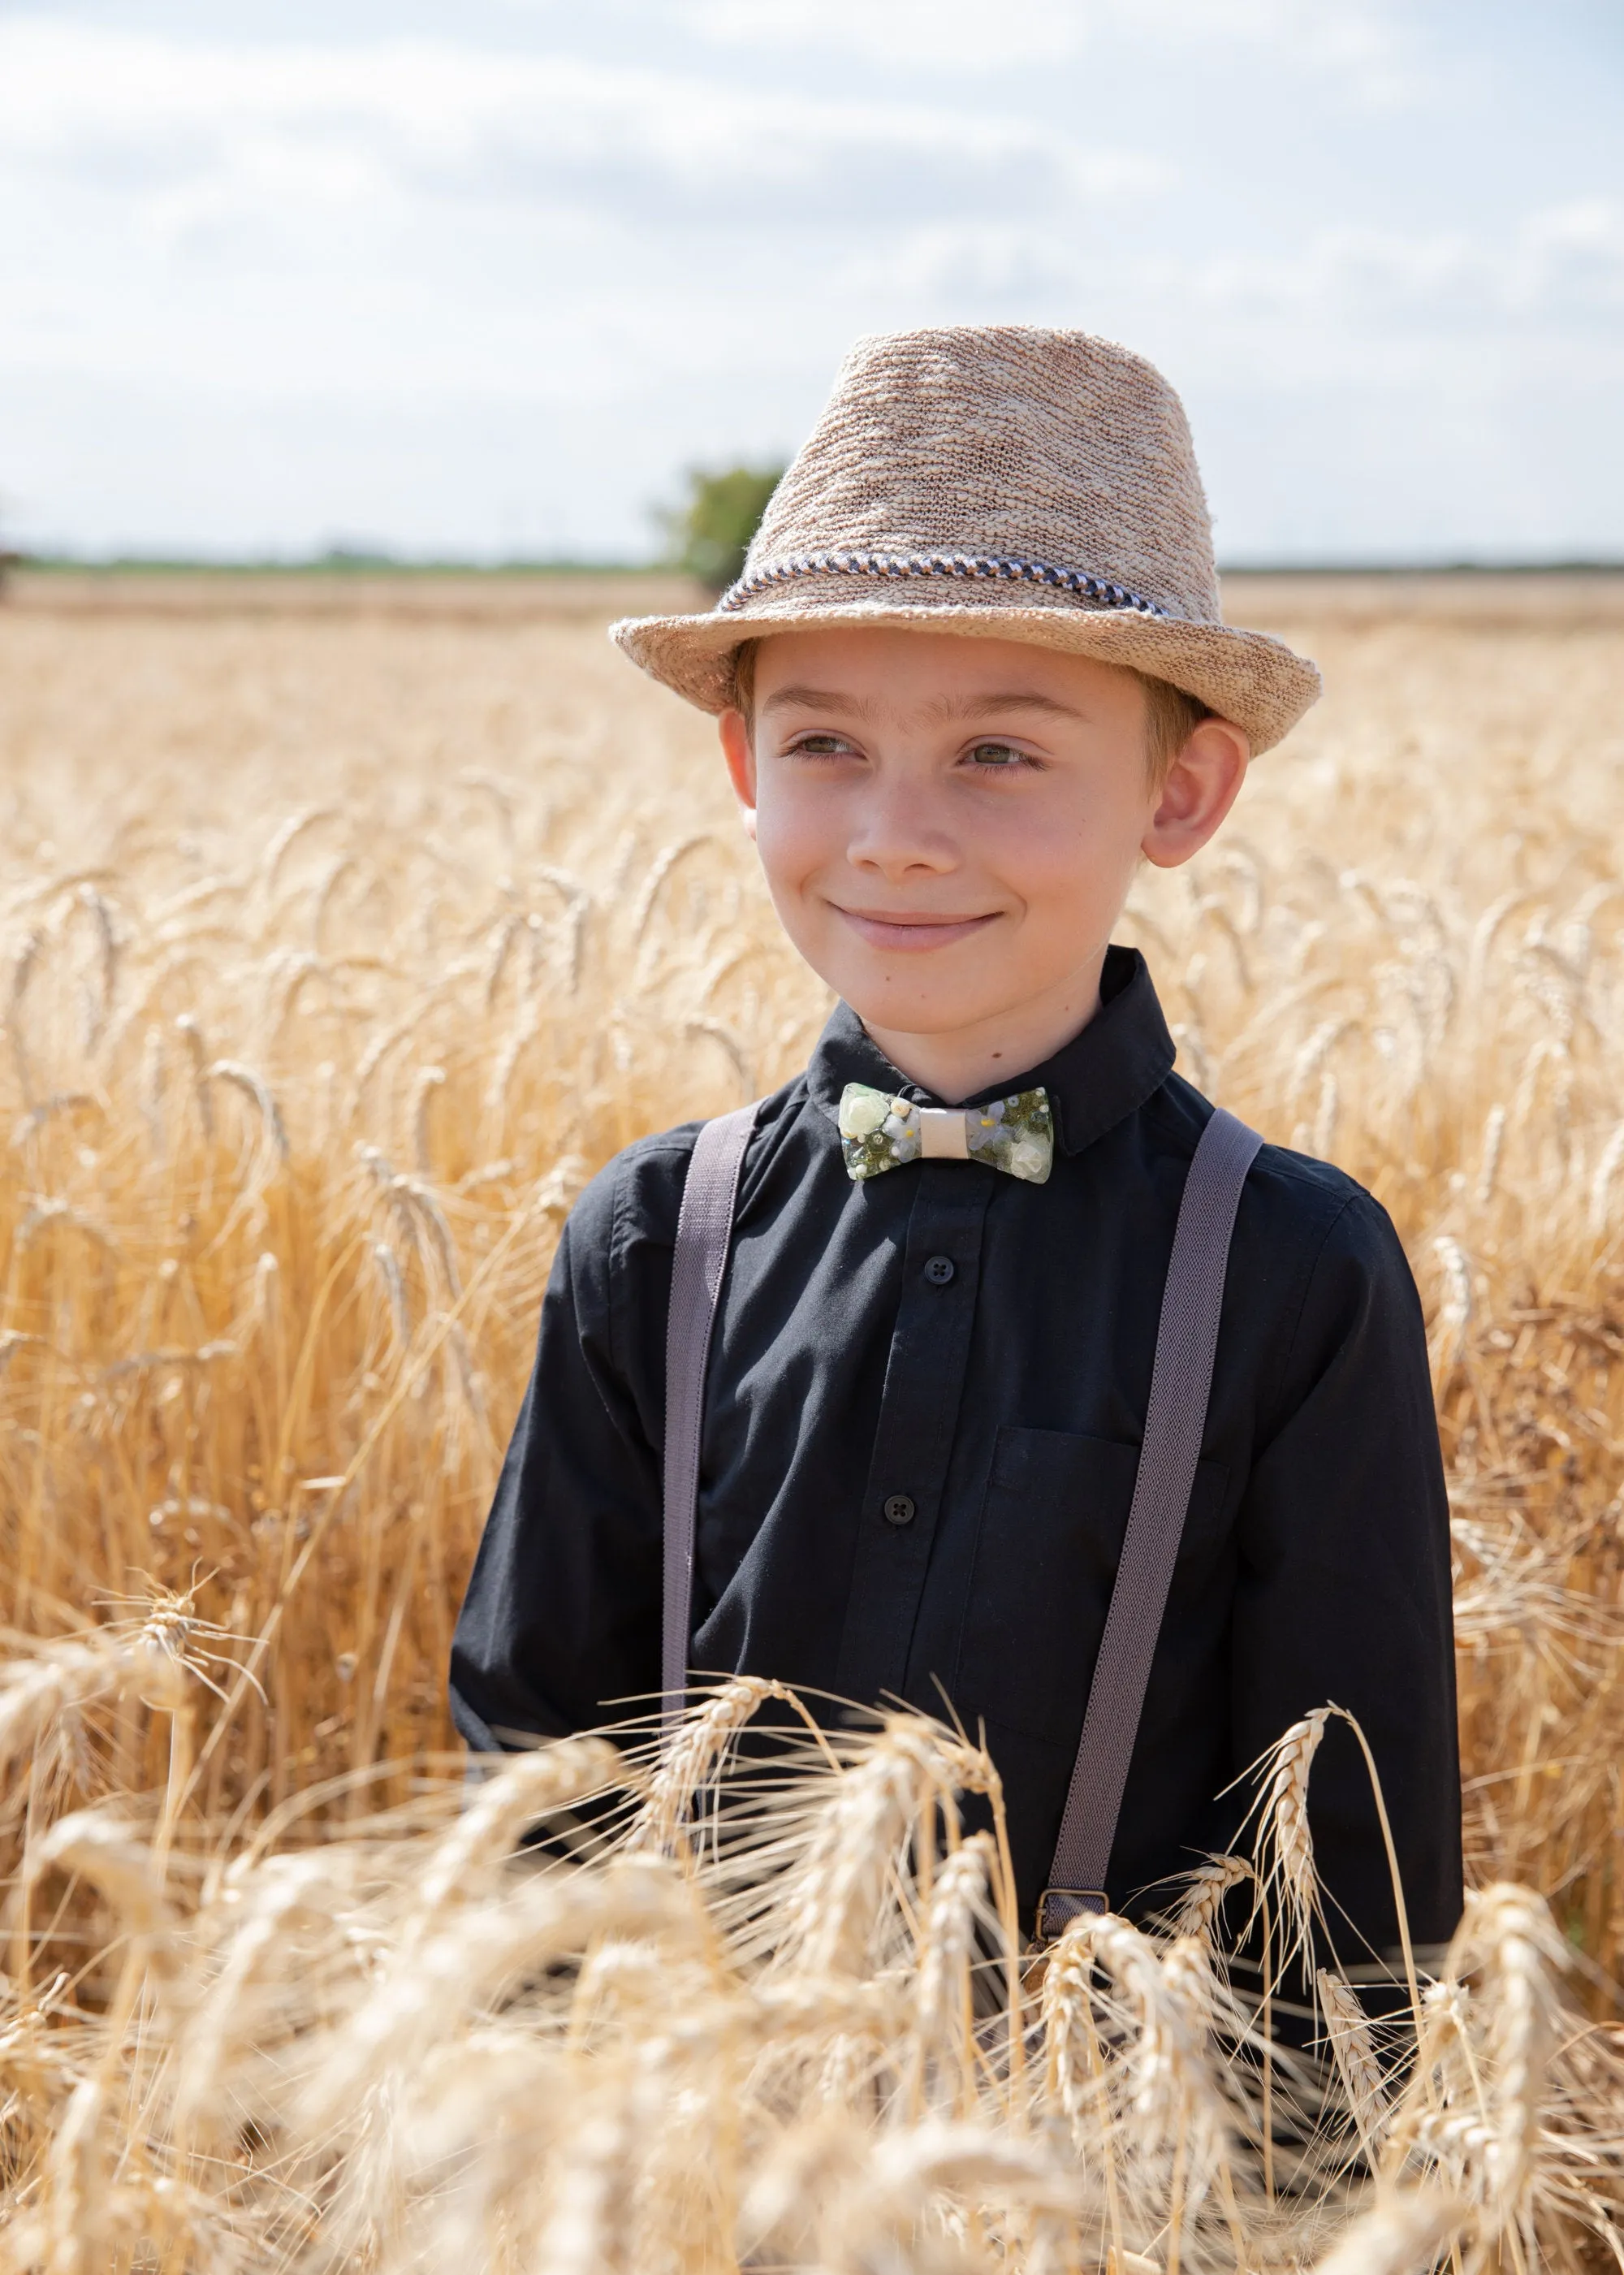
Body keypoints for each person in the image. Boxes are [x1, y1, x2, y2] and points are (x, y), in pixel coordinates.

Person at [449, 326, 1462, 1982]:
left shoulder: (1287, 1267)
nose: (894, 833)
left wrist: (1265, 2234)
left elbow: (1351, 1867)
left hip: (1111, 2207)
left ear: (1182, 791)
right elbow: (537, 1770)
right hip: (706, 2186)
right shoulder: (654, 1239)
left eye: (999, 751)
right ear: (740, 767)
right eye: (825, 744)